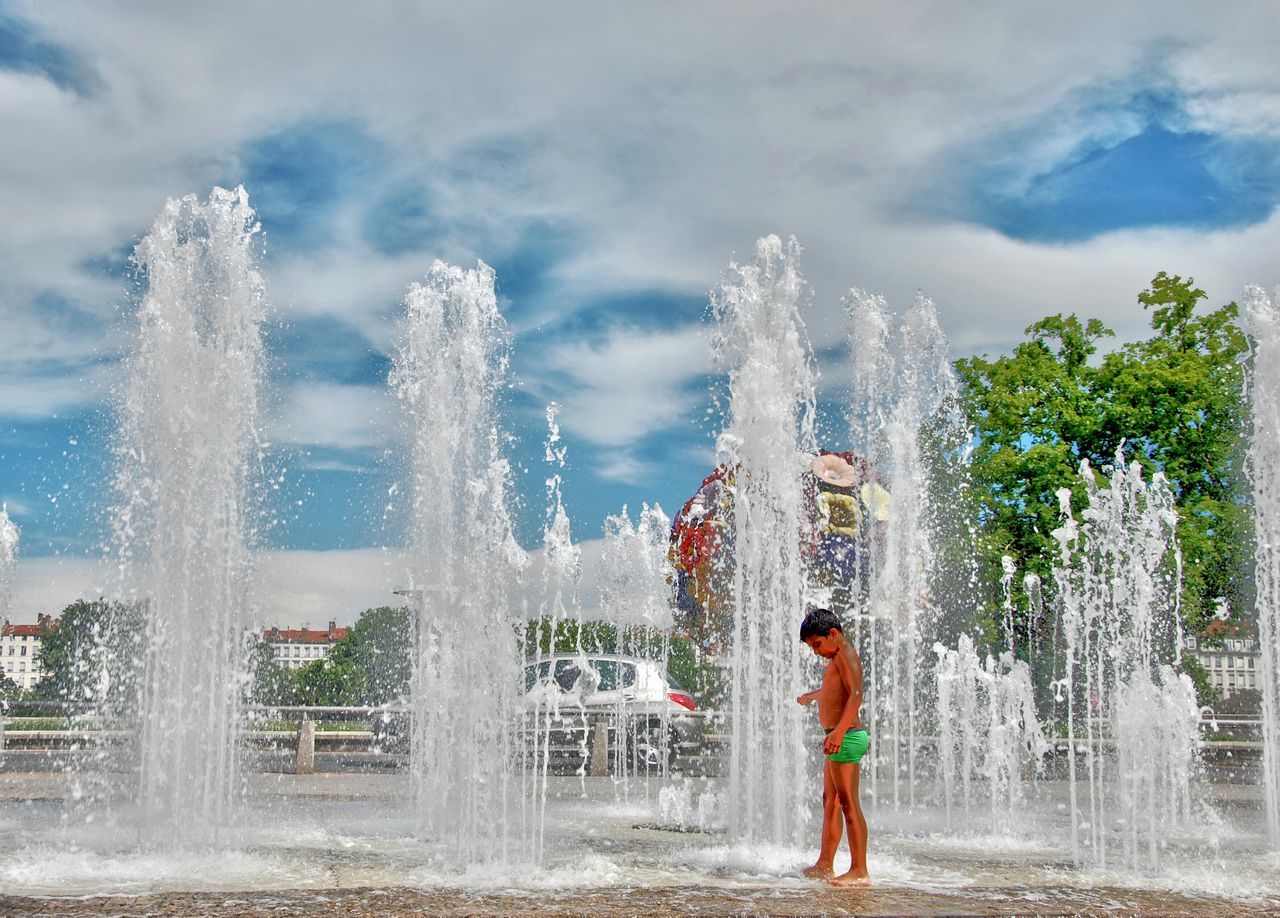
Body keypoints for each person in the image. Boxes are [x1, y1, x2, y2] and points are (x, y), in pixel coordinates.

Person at [796, 608, 870, 886]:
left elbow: (856, 695)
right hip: (839, 736)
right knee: (831, 802)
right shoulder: (836, 658)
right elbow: (832, 692)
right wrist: (811, 697)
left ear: (834, 634)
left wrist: (838, 732)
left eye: (817, 644)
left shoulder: (846, 655)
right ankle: (824, 864)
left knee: (849, 804)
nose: (816, 652)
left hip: (848, 736)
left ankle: (859, 870)